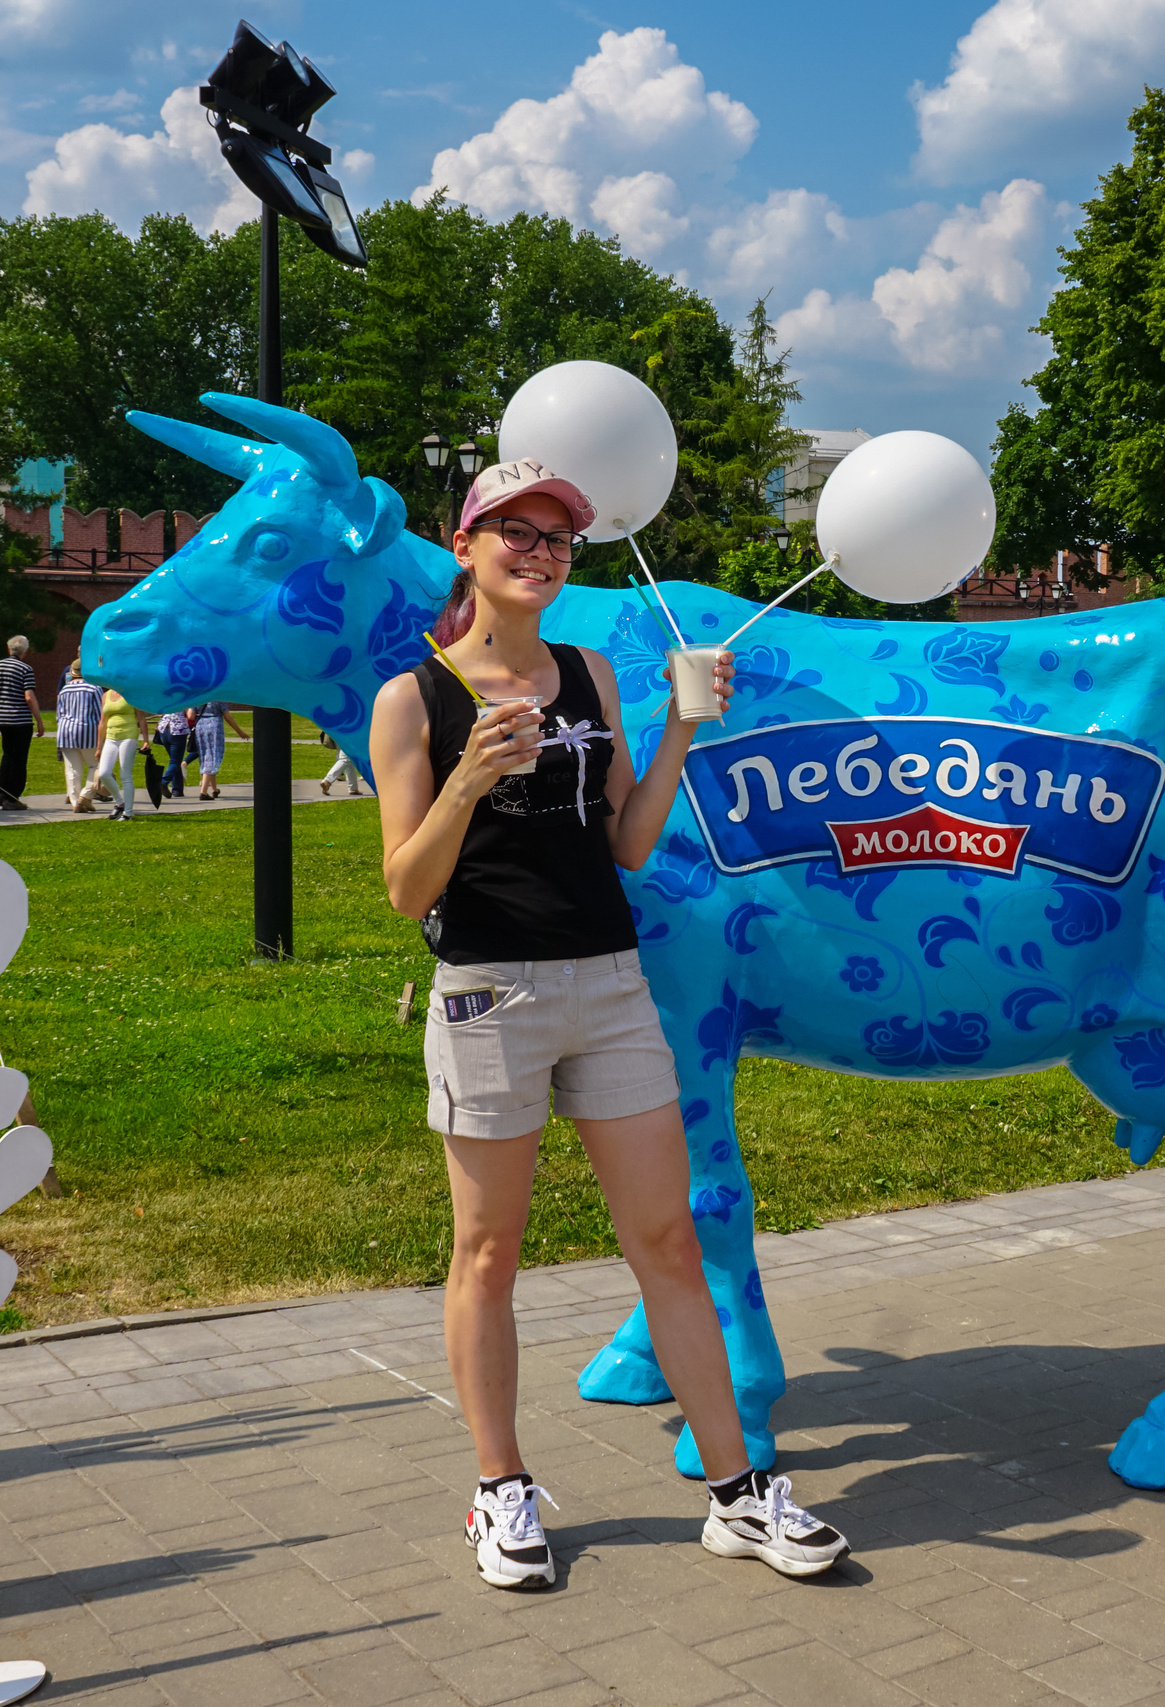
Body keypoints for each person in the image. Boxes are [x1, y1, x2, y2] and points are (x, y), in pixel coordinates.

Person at [370, 457, 848, 1593]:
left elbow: (629, 843)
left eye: (556, 540)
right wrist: (466, 781)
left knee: (669, 1242)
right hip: (488, 991)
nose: (539, 556)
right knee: (488, 1255)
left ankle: (735, 1494)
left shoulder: (587, 673)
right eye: (516, 536)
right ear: (467, 547)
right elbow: (404, 887)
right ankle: (501, 1492)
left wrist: (682, 728)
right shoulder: (417, 699)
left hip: (610, 986)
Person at [0, 637, 41, 810]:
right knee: (19, 759)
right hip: (21, 720)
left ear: (8, 650)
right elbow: (29, 697)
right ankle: (12, 796)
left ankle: (2, 790)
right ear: (25, 651)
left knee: (8, 755)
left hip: (3, 719)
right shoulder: (26, 669)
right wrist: (39, 721)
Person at [54, 662, 105, 814]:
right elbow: (99, 715)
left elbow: (59, 714)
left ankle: (76, 802)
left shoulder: (64, 689)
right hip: (87, 731)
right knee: (96, 766)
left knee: (72, 770)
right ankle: (85, 796)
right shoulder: (94, 688)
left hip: (65, 732)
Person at [92, 684, 144, 821]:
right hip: (111, 737)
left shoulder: (131, 693)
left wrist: (145, 740)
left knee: (125, 774)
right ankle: (120, 802)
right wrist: (99, 747)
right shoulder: (106, 695)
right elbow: (102, 722)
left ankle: (128, 813)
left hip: (128, 735)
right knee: (103, 773)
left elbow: (141, 717)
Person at [191, 700, 246, 800]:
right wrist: (240, 732)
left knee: (205, 756)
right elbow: (228, 717)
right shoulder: (219, 697)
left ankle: (214, 789)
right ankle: (203, 792)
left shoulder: (199, 695)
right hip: (215, 726)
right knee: (212, 757)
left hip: (200, 725)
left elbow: (191, 715)